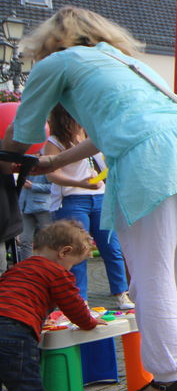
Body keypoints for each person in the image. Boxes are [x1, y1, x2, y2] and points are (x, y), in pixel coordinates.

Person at [5, 5, 177, 391]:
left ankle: (167, 378)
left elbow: (21, 135)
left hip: (149, 159)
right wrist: (57, 162)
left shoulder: (57, 63)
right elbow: (119, 125)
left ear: (50, 40)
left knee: (151, 270)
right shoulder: (127, 62)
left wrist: (11, 157)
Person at [0, 220, 104, 391]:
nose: (70, 269)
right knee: (25, 380)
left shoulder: (18, 268)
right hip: (15, 329)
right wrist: (89, 322)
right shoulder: (56, 272)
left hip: (7, 320)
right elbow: (72, 304)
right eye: (73, 264)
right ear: (64, 252)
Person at [43, 105, 132, 307]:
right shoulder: (55, 141)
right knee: (76, 251)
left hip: (100, 197)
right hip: (72, 199)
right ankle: (79, 300)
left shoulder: (92, 135)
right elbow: (51, 174)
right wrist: (79, 183)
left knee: (112, 248)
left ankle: (121, 293)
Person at [16, 174, 52, 265]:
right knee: (25, 240)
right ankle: (26, 267)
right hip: (25, 207)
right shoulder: (24, 168)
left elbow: (54, 188)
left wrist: (33, 186)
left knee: (49, 240)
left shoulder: (47, 168)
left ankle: (48, 266)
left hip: (43, 207)